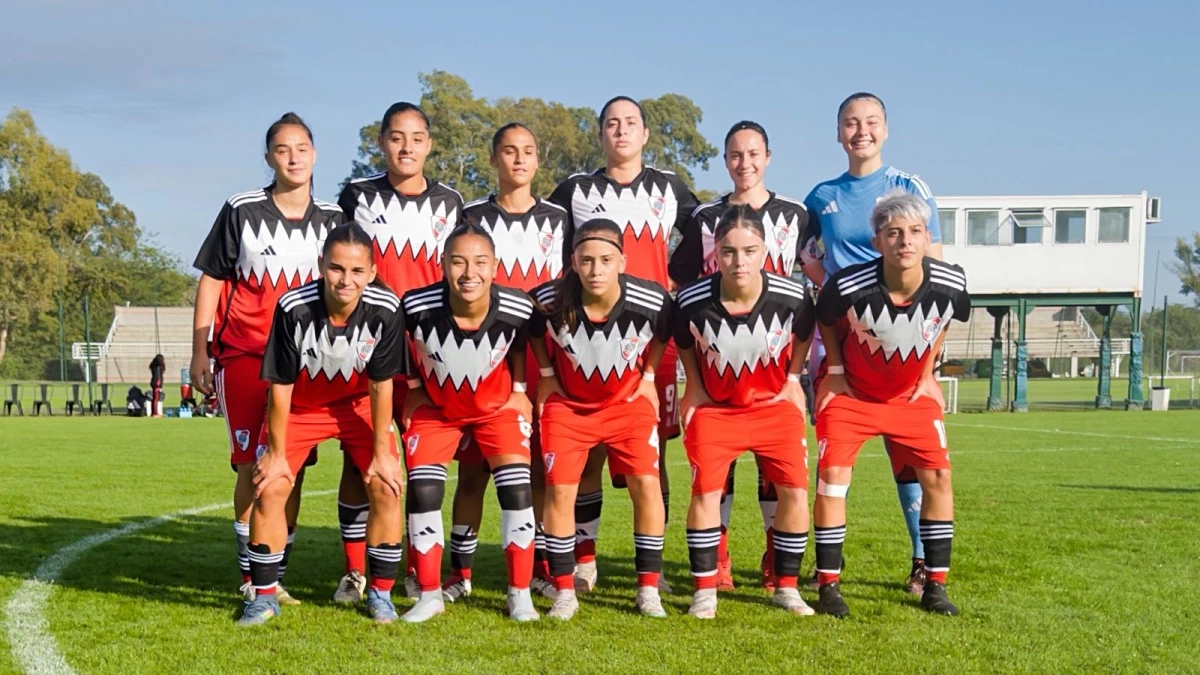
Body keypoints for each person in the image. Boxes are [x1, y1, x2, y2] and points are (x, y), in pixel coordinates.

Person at [191, 112, 342, 607]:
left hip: (305, 365)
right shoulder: (242, 209)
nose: (294, 158)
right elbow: (213, 278)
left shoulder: (334, 219)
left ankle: (274, 575)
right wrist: (199, 349)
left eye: (302, 148)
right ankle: (249, 576)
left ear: (315, 154)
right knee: (249, 468)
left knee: (289, 470)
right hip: (246, 355)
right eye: (283, 149)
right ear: (269, 158)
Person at [549, 95, 698, 593]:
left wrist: (676, 281)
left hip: (650, 342)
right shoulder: (575, 189)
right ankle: (584, 561)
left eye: (630, 123)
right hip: (586, 338)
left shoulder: (670, 187)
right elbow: (552, 245)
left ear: (646, 134)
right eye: (612, 123)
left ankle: (654, 569)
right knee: (587, 454)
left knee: (652, 458)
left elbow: (704, 235)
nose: (621, 131)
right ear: (600, 135)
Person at [801, 92, 944, 594]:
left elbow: (933, 265)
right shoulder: (820, 197)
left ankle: (923, 561)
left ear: (886, 129)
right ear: (838, 133)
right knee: (834, 459)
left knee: (910, 457)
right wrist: (832, 287)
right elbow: (808, 256)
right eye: (851, 123)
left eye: (871, 122)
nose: (861, 131)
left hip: (901, 343)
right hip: (840, 345)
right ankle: (826, 564)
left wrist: (928, 362)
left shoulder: (909, 186)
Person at [669, 120, 820, 590]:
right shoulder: (705, 217)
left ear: (768, 157)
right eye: (736, 155)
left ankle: (777, 558)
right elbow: (681, 279)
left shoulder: (797, 214)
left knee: (778, 472)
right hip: (719, 355)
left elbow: (813, 269)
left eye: (753, 154)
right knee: (720, 470)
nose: (745, 163)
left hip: (773, 358)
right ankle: (719, 559)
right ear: (725, 160)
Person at [238, 222, 407, 626]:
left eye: (356, 271)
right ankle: (263, 598)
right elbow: (280, 385)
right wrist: (276, 453)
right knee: (271, 486)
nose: (346, 280)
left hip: (358, 405)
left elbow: (381, 385)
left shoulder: (386, 308)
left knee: (386, 485)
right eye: (336, 268)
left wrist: (382, 453)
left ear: (372, 271)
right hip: (301, 407)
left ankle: (381, 595)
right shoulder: (293, 307)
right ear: (320, 265)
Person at [811, 192, 968, 617]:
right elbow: (825, 317)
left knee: (939, 477)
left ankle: (935, 584)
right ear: (877, 241)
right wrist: (836, 370)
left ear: (928, 237)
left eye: (915, 231)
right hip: (853, 395)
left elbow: (945, 319)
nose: (905, 241)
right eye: (894, 233)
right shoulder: (848, 285)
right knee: (833, 479)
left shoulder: (952, 283)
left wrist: (927, 372)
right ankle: (828, 584)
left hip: (909, 397)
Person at [337, 101, 464, 601]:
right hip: (369, 344)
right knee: (359, 459)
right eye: (396, 137)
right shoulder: (357, 195)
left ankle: (414, 567)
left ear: (429, 144)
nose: (406, 147)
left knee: (420, 462)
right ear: (381, 143)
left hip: (429, 350)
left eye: (415, 138)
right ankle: (354, 571)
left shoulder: (452, 201)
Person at [444, 123, 568, 603]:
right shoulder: (471, 215)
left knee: (536, 470)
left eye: (528, 151)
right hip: (481, 362)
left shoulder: (559, 218)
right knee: (473, 472)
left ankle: (536, 567)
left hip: (541, 360)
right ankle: (461, 572)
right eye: (509, 151)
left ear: (538, 160)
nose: (519, 159)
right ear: (494, 158)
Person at [529, 218, 671, 620]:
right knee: (560, 492)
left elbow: (664, 332)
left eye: (606, 260)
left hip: (627, 404)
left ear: (622, 262)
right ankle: (565, 589)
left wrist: (648, 377)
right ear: (573, 261)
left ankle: (648, 589)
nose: (596, 270)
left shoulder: (652, 300)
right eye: (587, 260)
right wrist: (546, 374)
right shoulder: (547, 300)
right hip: (569, 407)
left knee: (646, 484)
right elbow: (533, 331)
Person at [399, 223, 539, 623]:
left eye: (480, 262)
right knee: (424, 490)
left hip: (496, 408)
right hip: (438, 410)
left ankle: (519, 594)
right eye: (458, 262)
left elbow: (520, 343)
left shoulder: (518, 307)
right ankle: (429, 594)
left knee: (517, 489)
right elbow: (397, 342)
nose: (469, 272)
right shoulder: (415, 305)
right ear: (442, 264)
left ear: (495, 266)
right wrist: (414, 387)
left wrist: (519, 388)